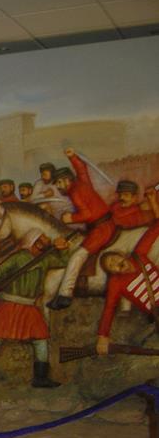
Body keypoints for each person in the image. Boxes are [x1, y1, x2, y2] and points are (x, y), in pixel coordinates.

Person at [0, 229, 70, 400]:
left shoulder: (45, 259)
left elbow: (63, 261)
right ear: (32, 242)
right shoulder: (19, 257)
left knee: (41, 339)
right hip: (9, 304)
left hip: (29, 307)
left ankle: (40, 377)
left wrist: (63, 248)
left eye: (45, 241)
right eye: (41, 241)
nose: (45, 243)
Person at [48, 147, 154, 310]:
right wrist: (73, 157)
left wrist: (71, 218)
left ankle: (65, 294)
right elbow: (82, 169)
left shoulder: (75, 192)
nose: (59, 186)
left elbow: (87, 214)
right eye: (57, 184)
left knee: (77, 256)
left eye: (60, 182)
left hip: (101, 229)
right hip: (101, 226)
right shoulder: (82, 182)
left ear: (68, 180)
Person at [96, 189, 159, 354]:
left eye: (114, 259)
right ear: (114, 272)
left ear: (121, 255)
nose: (116, 264)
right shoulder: (116, 282)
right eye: (112, 266)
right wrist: (103, 336)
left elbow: (156, 228)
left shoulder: (139, 255)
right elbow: (109, 308)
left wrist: (153, 202)